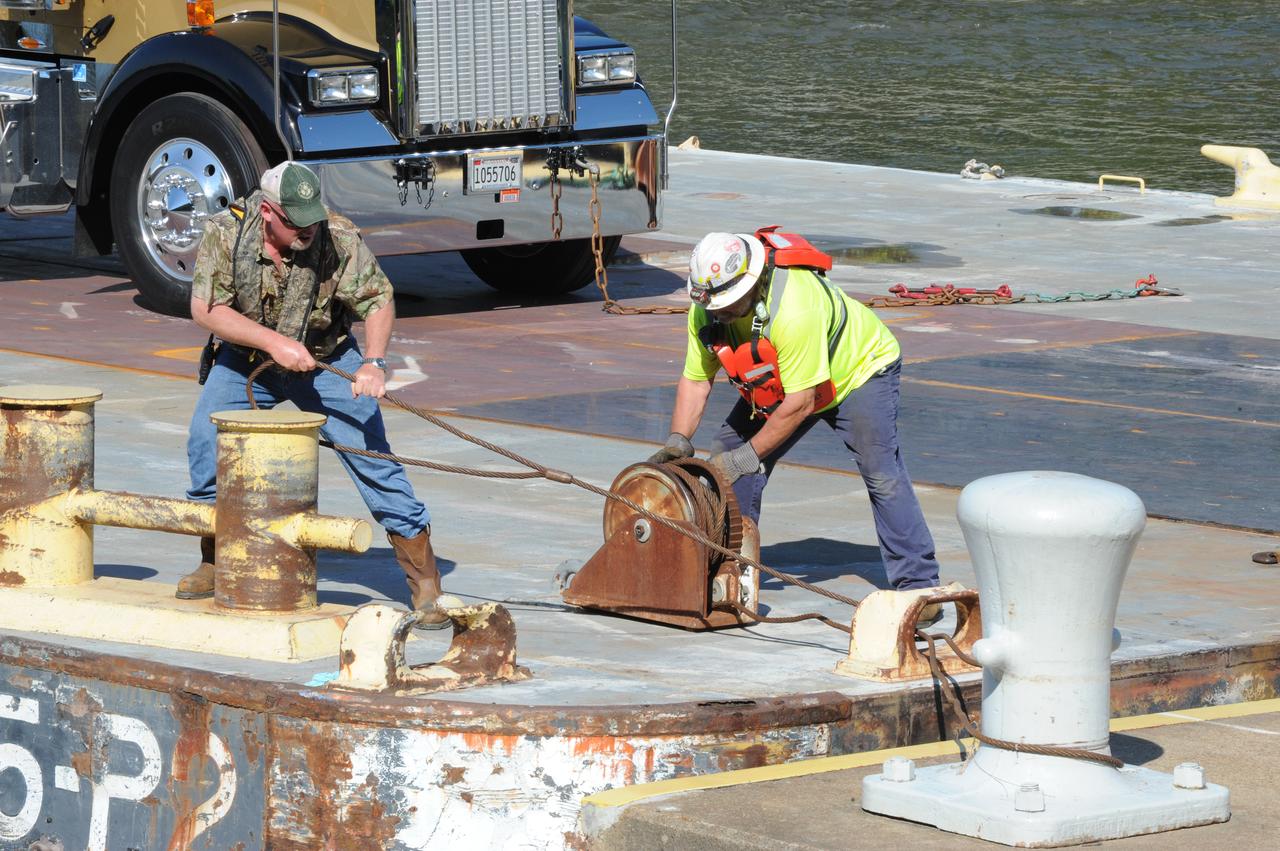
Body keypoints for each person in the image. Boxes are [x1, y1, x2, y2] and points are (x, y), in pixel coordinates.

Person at [181, 161, 450, 628]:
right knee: (206, 447)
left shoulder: (338, 238)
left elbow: (379, 299)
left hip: (326, 357)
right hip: (250, 360)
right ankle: (217, 555)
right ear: (267, 212)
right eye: (295, 220)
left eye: (312, 216)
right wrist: (274, 343)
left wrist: (374, 362)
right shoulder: (226, 233)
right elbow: (207, 310)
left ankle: (424, 580)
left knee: (371, 454)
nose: (308, 227)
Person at [648, 229, 941, 611]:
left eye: (730, 304)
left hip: (856, 372)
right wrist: (678, 440)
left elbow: (802, 403)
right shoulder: (706, 309)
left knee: (881, 473)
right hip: (787, 379)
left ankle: (919, 587)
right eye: (716, 306)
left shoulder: (794, 308)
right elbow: (696, 378)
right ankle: (729, 568)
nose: (721, 313)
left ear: (753, 283)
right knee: (727, 454)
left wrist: (745, 458)